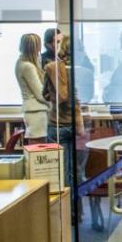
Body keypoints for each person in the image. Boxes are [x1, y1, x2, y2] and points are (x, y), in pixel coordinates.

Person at [43, 37, 84, 188]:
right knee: (78, 169)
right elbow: (84, 97)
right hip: (79, 125)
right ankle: (77, 207)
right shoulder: (82, 71)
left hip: (57, 123)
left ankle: (66, 208)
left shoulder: (51, 68)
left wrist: (57, 96)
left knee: (60, 171)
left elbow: (45, 94)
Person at [15, 34, 48, 138]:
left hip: (32, 110)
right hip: (37, 111)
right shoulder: (28, 67)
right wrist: (56, 104)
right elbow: (40, 93)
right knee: (38, 146)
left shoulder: (20, 63)